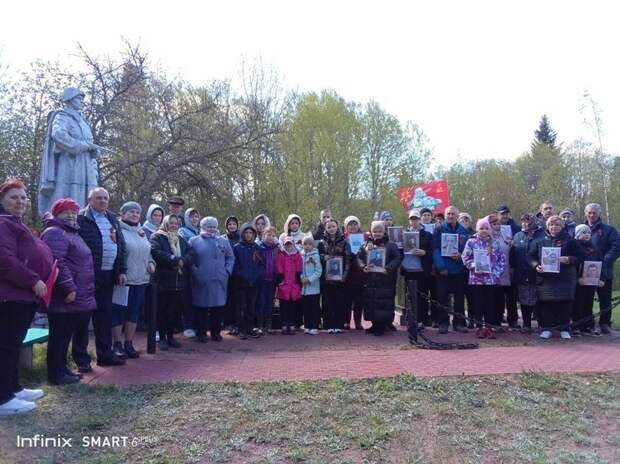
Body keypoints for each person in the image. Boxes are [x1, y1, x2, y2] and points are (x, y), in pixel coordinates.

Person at [0, 178, 54, 416]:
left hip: (23, 296)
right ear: (2, 201)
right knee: (6, 347)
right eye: (14, 197)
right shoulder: (3, 224)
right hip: (10, 296)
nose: (20, 201)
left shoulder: (16, 223)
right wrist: (33, 279)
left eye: (23, 197)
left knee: (13, 345)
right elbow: (5, 260)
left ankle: (13, 388)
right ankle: (3, 399)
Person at [41, 198, 96, 384]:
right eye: (67, 212)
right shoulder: (55, 232)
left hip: (77, 294)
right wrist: (69, 287)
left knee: (64, 336)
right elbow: (57, 261)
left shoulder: (71, 232)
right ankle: (56, 375)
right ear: (57, 214)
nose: (72, 215)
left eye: (74, 211)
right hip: (64, 295)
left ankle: (63, 370)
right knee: (59, 336)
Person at [75, 187, 127, 369]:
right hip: (88, 276)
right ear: (90, 200)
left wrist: (121, 270)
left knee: (104, 317)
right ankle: (82, 360)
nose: (103, 201)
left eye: (105, 198)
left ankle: (105, 355)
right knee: (83, 319)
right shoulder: (81, 218)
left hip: (108, 274)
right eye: (99, 198)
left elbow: (120, 245)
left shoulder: (112, 218)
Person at [38, 88, 100, 215]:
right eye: (78, 98)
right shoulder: (62, 116)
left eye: (82, 99)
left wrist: (94, 150)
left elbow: (90, 142)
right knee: (69, 193)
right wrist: (80, 145)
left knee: (86, 197)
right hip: (69, 164)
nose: (82, 102)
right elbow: (59, 134)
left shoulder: (83, 121)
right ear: (69, 99)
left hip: (86, 166)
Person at [528, 216, 584, 340]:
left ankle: (564, 328)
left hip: (565, 278)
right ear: (547, 226)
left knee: (565, 304)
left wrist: (570, 259)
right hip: (545, 278)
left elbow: (581, 256)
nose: (554, 227)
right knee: (547, 304)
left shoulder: (571, 241)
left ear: (562, 226)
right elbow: (530, 257)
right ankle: (547, 328)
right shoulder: (539, 241)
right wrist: (536, 265)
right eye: (551, 225)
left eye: (557, 225)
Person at [111, 202, 155, 359]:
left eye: (137, 212)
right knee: (118, 312)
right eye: (131, 212)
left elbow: (148, 251)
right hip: (123, 280)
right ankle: (117, 344)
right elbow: (115, 253)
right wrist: (119, 272)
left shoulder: (141, 232)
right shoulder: (117, 230)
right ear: (123, 214)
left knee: (133, 313)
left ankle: (129, 343)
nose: (135, 214)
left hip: (141, 279)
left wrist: (151, 263)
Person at [188, 217, 234, 343]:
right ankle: (201, 333)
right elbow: (189, 260)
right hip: (201, 279)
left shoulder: (223, 241)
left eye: (214, 226)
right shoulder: (194, 241)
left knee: (218, 308)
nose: (212, 229)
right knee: (201, 308)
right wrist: (195, 272)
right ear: (203, 227)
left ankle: (216, 333)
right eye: (209, 226)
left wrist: (227, 271)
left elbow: (230, 257)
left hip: (220, 279)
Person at [150, 214, 191, 350]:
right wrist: (175, 260)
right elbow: (157, 253)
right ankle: (162, 338)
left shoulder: (181, 239)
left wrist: (183, 261)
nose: (174, 225)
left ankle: (171, 337)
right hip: (164, 281)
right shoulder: (157, 237)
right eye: (171, 223)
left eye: (176, 223)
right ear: (166, 223)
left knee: (174, 312)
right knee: (162, 311)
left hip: (179, 282)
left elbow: (191, 254)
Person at [462, 218, 506, 339]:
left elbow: (501, 260)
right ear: (477, 229)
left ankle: (489, 327)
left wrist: (496, 273)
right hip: (476, 279)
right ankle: (479, 328)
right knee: (478, 304)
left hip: (491, 280)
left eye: (486, 228)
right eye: (481, 228)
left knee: (490, 304)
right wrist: (473, 265)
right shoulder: (471, 242)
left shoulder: (495, 243)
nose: (484, 230)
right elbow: (465, 257)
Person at [357, 221, 402, 336]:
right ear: (371, 232)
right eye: (375, 231)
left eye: (380, 231)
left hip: (385, 279)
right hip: (370, 279)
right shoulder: (365, 245)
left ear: (384, 232)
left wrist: (388, 268)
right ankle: (374, 324)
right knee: (371, 302)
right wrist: (363, 267)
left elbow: (397, 258)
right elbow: (358, 257)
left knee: (383, 303)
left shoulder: (391, 245)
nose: (377, 233)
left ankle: (382, 326)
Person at [432, 206, 470, 334]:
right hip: (444, 270)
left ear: (457, 216)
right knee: (442, 297)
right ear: (445, 215)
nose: (450, 216)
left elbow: (468, 250)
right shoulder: (439, 229)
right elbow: (435, 249)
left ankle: (459, 323)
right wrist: (441, 267)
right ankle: (443, 323)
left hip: (459, 270)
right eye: (448, 214)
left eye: (453, 214)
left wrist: (462, 256)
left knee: (459, 298)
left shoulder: (464, 230)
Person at [584, 203, 620, 334]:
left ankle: (605, 323)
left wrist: (605, 260)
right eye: (589, 212)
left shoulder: (609, 230)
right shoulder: (581, 229)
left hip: (604, 270)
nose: (592, 215)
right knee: (586, 299)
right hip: (586, 270)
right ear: (585, 214)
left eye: (594, 212)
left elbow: (616, 247)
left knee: (605, 299)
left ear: (599, 214)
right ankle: (588, 324)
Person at [511, 213, 545, 333]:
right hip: (522, 273)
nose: (525, 224)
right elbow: (513, 255)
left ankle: (543, 324)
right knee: (525, 300)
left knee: (540, 300)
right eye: (523, 221)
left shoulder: (543, 235)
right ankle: (526, 324)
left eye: (528, 221)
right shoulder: (518, 236)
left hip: (539, 273)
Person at [401, 209, 433, 328]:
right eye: (412, 219)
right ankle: (410, 319)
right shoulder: (403, 234)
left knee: (422, 297)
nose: (414, 221)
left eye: (416, 219)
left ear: (420, 220)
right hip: (407, 270)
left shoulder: (427, 235)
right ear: (409, 221)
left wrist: (424, 252)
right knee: (408, 296)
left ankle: (421, 321)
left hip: (421, 270)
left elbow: (432, 252)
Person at [318, 218, 351, 333]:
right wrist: (323, 257)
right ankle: (328, 325)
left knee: (339, 302)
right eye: (329, 227)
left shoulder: (345, 242)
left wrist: (344, 275)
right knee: (327, 302)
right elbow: (317, 256)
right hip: (326, 278)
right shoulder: (322, 242)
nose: (331, 229)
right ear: (325, 228)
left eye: (333, 226)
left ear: (337, 227)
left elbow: (348, 260)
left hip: (340, 278)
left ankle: (338, 324)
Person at [233, 223, 264, 339]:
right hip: (241, 283)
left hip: (254, 283)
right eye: (246, 232)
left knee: (251, 307)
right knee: (241, 307)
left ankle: (250, 329)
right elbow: (234, 265)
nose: (248, 235)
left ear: (254, 234)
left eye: (250, 233)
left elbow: (262, 265)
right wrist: (243, 275)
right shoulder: (237, 247)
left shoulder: (257, 248)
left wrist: (256, 275)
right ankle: (242, 330)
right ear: (242, 233)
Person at [488, 214, 518, 330]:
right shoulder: (487, 237)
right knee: (496, 298)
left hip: (506, 270)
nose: (496, 226)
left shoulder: (506, 236)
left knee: (509, 297)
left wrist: (512, 245)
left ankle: (512, 320)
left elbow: (512, 251)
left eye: (498, 224)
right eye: (494, 224)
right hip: (492, 273)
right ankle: (496, 321)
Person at [572, 224, 603, 335]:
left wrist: (600, 278)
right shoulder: (574, 246)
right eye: (584, 232)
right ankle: (576, 325)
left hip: (591, 282)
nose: (587, 235)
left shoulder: (594, 248)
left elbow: (600, 263)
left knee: (588, 304)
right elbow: (572, 265)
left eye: (588, 233)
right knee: (577, 303)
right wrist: (577, 278)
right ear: (578, 234)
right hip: (578, 282)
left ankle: (588, 326)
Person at [178, 207, 201, 338]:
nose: (194, 219)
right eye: (191, 216)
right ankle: (188, 325)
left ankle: (198, 324)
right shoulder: (183, 231)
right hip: (188, 269)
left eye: (196, 216)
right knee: (188, 299)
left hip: (200, 268)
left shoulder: (201, 231)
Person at [276, 237, 303, 334]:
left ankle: (292, 324)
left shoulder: (297, 255)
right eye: (286, 244)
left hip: (294, 285)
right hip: (284, 285)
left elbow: (299, 269)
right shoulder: (281, 256)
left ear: (293, 244)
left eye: (290, 244)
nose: (288, 246)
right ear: (284, 245)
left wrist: (298, 281)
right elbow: (279, 268)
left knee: (292, 306)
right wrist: (281, 281)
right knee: (283, 306)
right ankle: (284, 324)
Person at [343, 216, 366, 330]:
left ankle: (358, 322)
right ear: (346, 227)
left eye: (355, 224)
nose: (353, 227)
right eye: (350, 224)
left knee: (359, 301)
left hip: (360, 273)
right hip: (347, 273)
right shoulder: (343, 238)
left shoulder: (365, 237)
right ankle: (346, 322)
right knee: (346, 301)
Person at [256, 227, 279, 335]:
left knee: (270, 302)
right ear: (263, 236)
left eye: (273, 235)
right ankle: (259, 325)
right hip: (262, 280)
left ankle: (268, 326)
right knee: (261, 302)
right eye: (268, 235)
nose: (270, 237)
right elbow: (256, 262)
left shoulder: (277, 249)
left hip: (272, 280)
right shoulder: (259, 248)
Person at [222, 216, 241, 334]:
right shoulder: (222, 239)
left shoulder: (241, 238)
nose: (232, 226)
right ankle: (227, 322)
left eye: (234, 224)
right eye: (230, 224)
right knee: (227, 298)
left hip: (238, 273)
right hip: (226, 272)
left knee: (237, 300)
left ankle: (237, 323)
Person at [300, 236, 322, 335]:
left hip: (313, 288)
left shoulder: (315, 256)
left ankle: (315, 326)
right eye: (305, 244)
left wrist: (309, 279)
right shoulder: (301, 255)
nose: (307, 246)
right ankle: (307, 325)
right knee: (306, 308)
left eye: (309, 244)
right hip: (304, 289)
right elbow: (299, 269)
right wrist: (301, 278)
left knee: (314, 308)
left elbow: (319, 271)